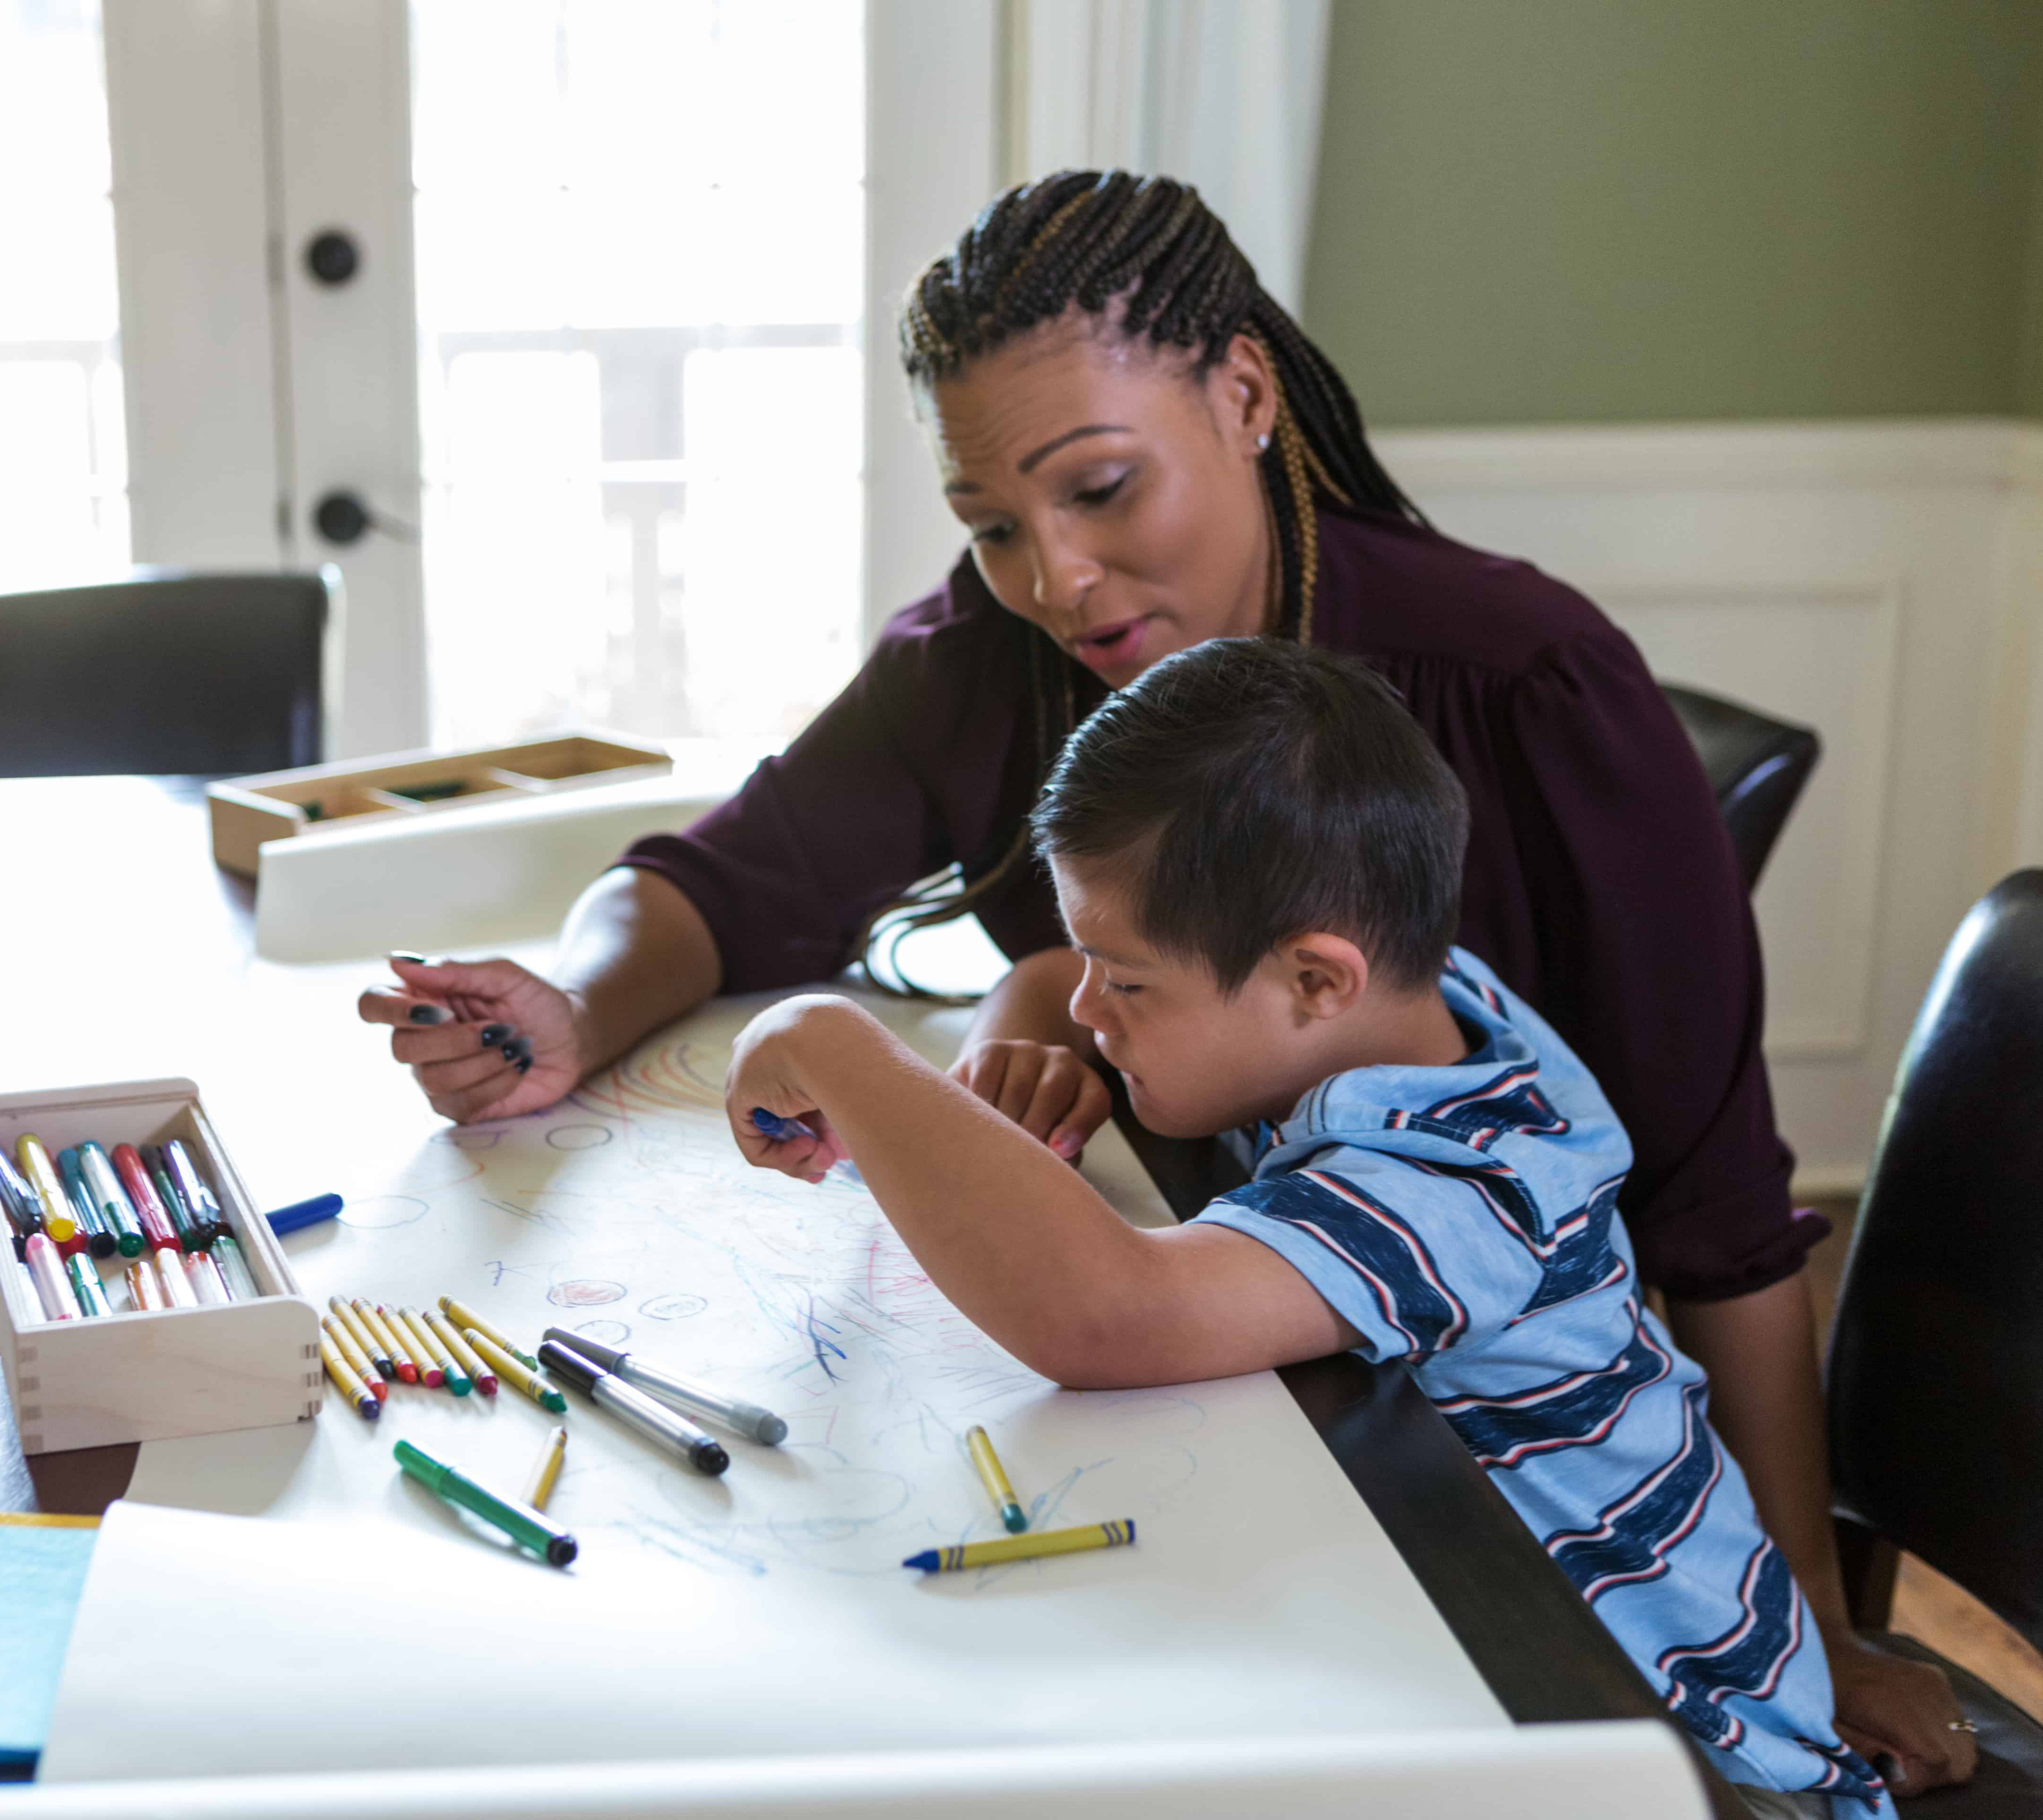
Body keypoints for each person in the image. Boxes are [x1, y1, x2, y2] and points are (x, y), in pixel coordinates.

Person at [359, 170, 1970, 1787]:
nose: (1055, 581)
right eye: (992, 529)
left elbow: (1715, 1207)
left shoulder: (1526, 699)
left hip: (1537, 1583)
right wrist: (574, 1007)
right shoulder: (1002, 662)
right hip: (1322, 1445)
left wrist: (1811, 1622)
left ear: (1249, 396)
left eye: (1103, 490)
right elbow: (732, 875)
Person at [724, 640, 1886, 1818]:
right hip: (1478, 1631)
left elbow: (1107, 1313)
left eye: (1124, 984)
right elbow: (1041, 981)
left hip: (1675, 1750)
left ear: (1318, 982)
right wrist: (1029, 1037)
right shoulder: (1436, 999)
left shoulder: (1454, 1184)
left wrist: (834, 1043)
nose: (1090, 1009)